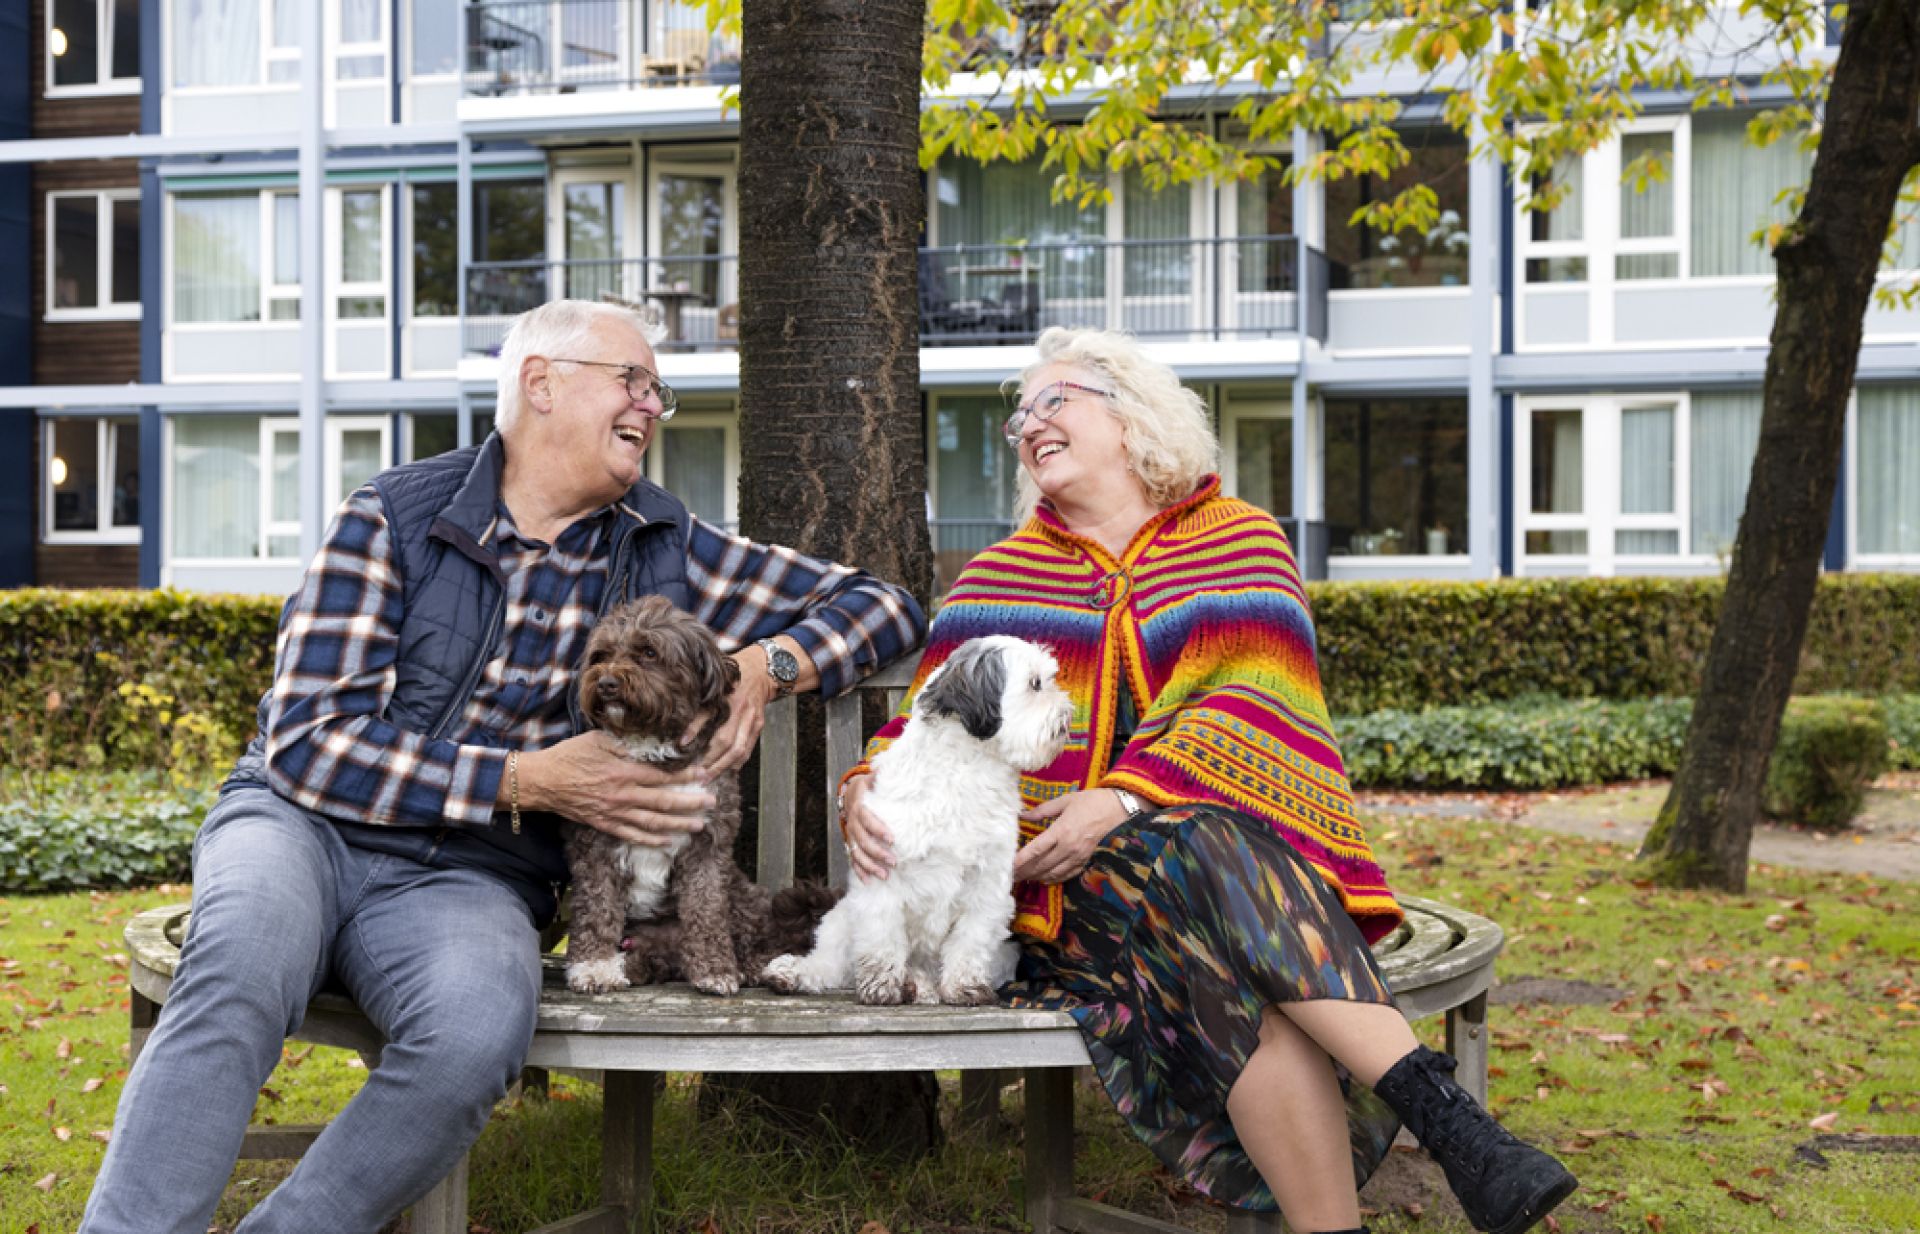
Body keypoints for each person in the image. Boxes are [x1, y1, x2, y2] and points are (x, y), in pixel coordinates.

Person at [80, 299, 926, 1234]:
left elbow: (882, 605)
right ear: (541, 384)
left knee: (476, 1034)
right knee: (240, 967)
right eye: (632, 380)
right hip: (300, 826)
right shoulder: (396, 516)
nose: (651, 405)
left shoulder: (664, 541)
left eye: (659, 390)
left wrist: (765, 668)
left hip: (475, 873)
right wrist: (525, 780)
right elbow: (308, 739)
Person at [840, 327, 1576, 1234]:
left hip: (1245, 875)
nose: (1028, 424)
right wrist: (863, 785)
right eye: (1019, 414)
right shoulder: (998, 575)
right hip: (1066, 893)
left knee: (1206, 883)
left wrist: (1126, 795)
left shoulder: (1241, 540)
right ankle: (1453, 1124)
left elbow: (1259, 703)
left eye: (1052, 400)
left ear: (1132, 413)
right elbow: (926, 717)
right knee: (1208, 888)